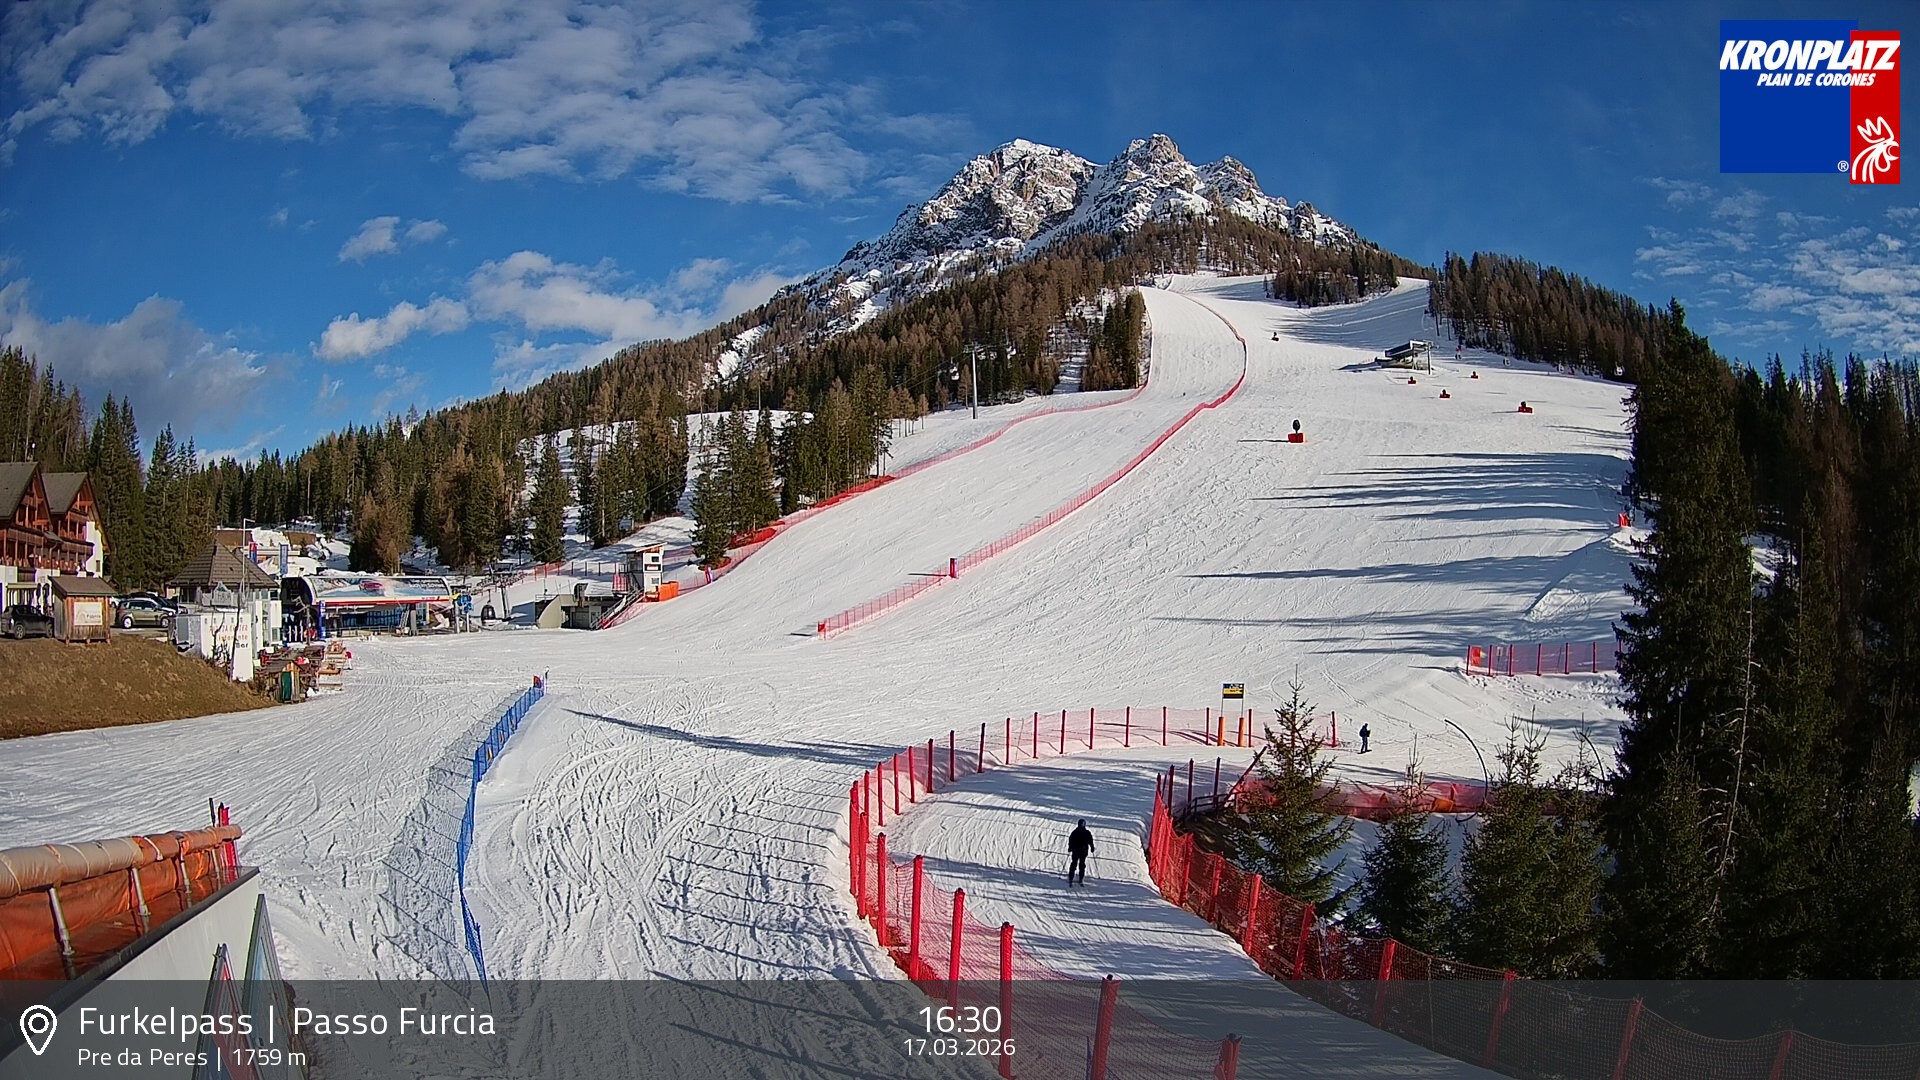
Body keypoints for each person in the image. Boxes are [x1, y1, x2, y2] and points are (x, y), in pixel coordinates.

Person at [1067, 819, 1095, 885]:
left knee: (1076, 863)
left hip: (1078, 851)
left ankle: (1073, 877)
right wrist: (1092, 847)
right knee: (1080, 864)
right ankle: (1078, 878)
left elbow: (1071, 840)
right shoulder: (1086, 832)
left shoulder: (1075, 832)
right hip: (1082, 851)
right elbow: (1090, 841)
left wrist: (1070, 848)